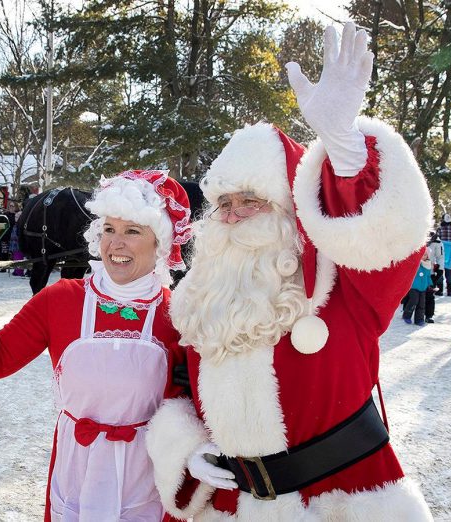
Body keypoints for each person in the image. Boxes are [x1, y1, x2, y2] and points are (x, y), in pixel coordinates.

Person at [145, 23, 433, 520]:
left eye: (251, 202)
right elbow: (176, 386)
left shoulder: (343, 289)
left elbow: (385, 244)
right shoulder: (198, 298)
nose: (232, 216)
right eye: (224, 204)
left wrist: (344, 148)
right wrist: (186, 448)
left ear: (287, 212)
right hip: (230, 506)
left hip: (337, 502)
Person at [0, 170, 192, 521]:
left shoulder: (182, 316)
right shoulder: (61, 299)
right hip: (76, 473)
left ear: (161, 243)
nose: (115, 243)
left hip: (150, 481)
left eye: (132, 231)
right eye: (109, 229)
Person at [402, 249, 433, 326]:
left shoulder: (428, 265)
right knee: (413, 301)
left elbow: (428, 276)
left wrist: (430, 284)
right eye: (422, 254)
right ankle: (407, 315)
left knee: (421, 304)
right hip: (414, 286)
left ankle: (419, 319)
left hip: (423, 287)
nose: (423, 256)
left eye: (425, 255)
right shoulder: (416, 263)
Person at [437, 213, 451, 295]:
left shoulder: (439, 230)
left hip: (440, 253)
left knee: (439, 271)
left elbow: (437, 242)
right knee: (449, 272)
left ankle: (440, 290)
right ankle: (450, 290)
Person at [425, 231, 445, 322]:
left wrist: (440, 269)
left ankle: (429, 315)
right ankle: (408, 311)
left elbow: (440, 256)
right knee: (415, 294)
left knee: (429, 294)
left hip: (430, 272)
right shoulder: (416, 235)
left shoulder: (437, 242)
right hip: (416, 272)